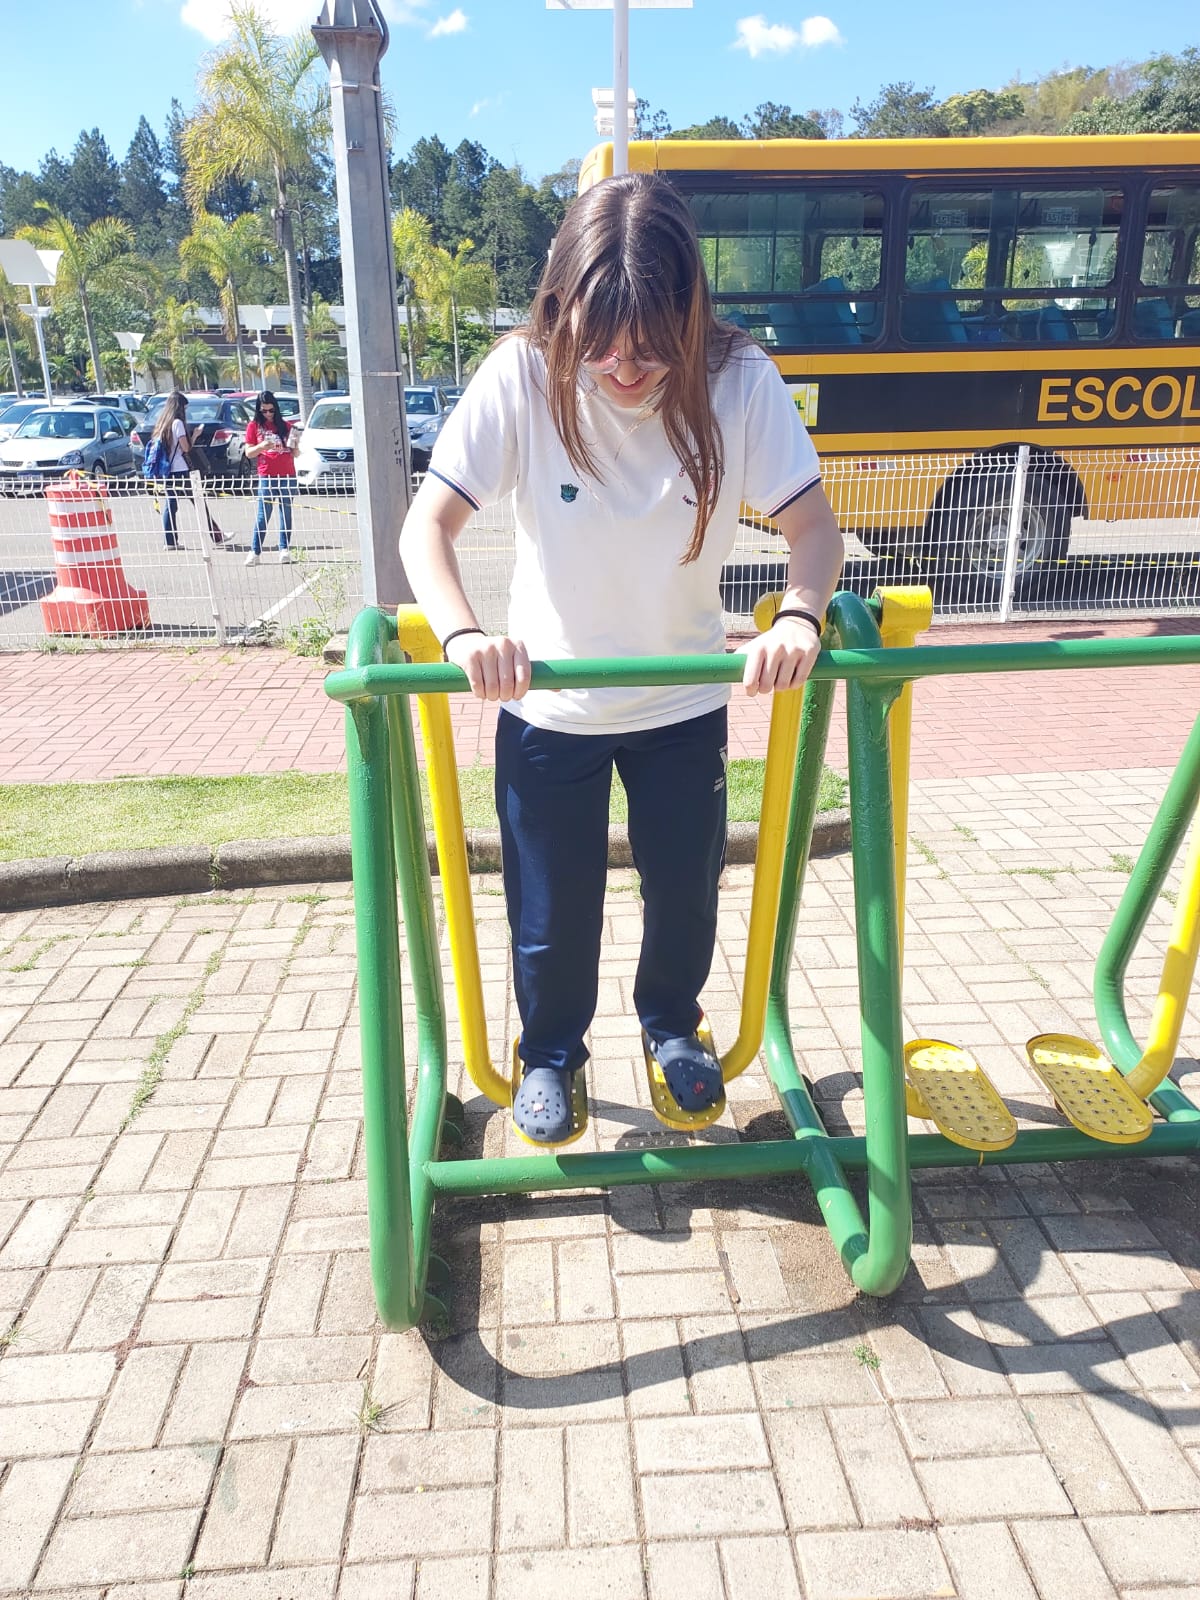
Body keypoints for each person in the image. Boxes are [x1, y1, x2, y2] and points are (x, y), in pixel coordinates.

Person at [399, 172, 844, 1147]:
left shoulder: (737, 379)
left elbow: (813, 528)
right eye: (600, 342)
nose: (623, 367)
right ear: (561, 308)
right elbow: (427, 527)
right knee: (551, 910)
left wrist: (799, 617)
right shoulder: (524, 374)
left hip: (681, 701)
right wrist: (465, 635)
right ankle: (550, 1052)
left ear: (689, 318)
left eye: (650, 345)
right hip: (551, 705)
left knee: (685, 891)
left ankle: (673, 1026)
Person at [148, 390, 225, 549]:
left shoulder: (163, 424)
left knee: (171, 504)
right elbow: (186, 448)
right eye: (185, 408)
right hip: (181, 470)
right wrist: (195, 435)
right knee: (198, 502)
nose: (186, 411)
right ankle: (217, 536)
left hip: (167, 470)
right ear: (179, 407)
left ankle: (170, 541)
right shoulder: (177, 423)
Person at [243, 391, 299, 564]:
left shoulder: (286, 426)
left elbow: (295, 453)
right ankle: (255, 551)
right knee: (263, 515)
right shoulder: (254, 426)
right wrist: (262, 446)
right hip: (267, 475)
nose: (268, 414)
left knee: (286, 513)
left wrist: (295, 445)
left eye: (271, 410)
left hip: (287, 474)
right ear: (259, 410)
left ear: (276, 409)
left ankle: (284, 549)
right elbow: (249, 453)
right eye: (264, 411)